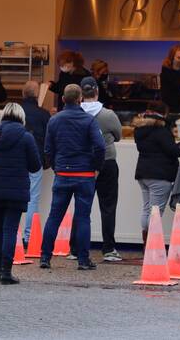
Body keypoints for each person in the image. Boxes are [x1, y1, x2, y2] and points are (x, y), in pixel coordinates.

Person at [38, 84, 104, 271]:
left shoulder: (55, 120)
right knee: (83, 218)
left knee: (54, 216)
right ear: (79, 98)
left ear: (63, 99)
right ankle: (83, 259)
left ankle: (45, 257)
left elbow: (48, 148)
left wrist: (56, 166)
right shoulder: (89, 120)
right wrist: (96, 167)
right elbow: (100, 146)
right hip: (84, 174)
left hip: (63, 173)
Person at [0, 103, 41, 284]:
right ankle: (7, 272)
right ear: (21, 117)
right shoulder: (26, 137)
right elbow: (35, 165)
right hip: (16, 190)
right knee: (10, 230)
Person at [77, 77, 122, 262]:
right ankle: (109, 248)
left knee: (81, 207)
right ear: (97, 91)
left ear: (81, 93)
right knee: (108, 206)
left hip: (84, 164)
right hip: (107, 162)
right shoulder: (108, 115)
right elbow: (118, 135)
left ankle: (75, 248)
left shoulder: (76, 114)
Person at [133, 104, 180, 246]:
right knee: (156, 212)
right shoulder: (161, 131)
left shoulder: (140, 130)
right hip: (160, 175)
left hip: (143, 174)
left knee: (147, 209)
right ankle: (152, 245)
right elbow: (173, 151)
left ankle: (146, 241)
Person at [20, 81, 49, 246]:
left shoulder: (15, 112)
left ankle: (12, 235)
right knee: (33, 198)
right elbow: (50, 139)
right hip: (36, 158)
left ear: (23, 94)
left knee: (14, 198)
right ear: (37, 95)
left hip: (16, 159)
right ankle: (28, 237)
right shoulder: (44, 114)